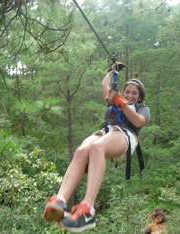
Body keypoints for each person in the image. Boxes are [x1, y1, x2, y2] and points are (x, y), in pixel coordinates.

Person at [44, 63, 151, 232]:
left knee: (97, 147)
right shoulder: (114, 102)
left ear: (139, 97)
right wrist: (113, 71)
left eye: (134, 93)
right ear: (123, 92)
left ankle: (88, 210)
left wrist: (120, 101)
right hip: (106, 132)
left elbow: (138, 121)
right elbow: (104, 86)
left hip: (126, 136)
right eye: (127, 91)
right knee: (81, 151)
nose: (130, 95)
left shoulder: (141, 108)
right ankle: (60, 200)